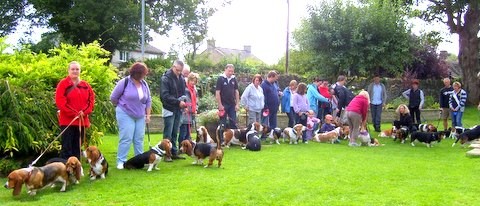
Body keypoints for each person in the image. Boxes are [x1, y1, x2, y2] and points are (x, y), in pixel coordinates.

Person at [110, 62, 151, 169]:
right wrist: (122, 105)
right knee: (126, 138)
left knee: (139, 138)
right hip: (125, 113)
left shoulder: (144, 84)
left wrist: (148, 115)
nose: (144, 76)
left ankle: (139, 160)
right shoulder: (124, 82)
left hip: (140, 115)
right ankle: (121, 161)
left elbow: (148, 100)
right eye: (142, 73)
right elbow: (113, 97)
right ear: (136, 73)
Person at [55, 61, 95, 160]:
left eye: (77, 69)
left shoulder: (86, 85)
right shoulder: (63, 84)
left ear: (80, 71)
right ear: (69, 70)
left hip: (81, 121)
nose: (75, 71)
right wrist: (74, 113)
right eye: (73, 69)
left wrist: (84, 112)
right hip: (67, 121)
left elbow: (91, 101)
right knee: (67, 148)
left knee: (77, 148)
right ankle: (64, 170)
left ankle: (76, 170)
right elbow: (60, 101)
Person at [160, 60, 188, 161]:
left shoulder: (181, 78)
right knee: (168, 132)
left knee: (175, 131)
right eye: (178, 70)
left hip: (178, 109)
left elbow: (183, 92)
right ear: (173, 67)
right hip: (169, 108)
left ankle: (174, 152)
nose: (179, 72)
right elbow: (164, 96)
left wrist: (184, 103)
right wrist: (177, 102)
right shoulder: (165, 78)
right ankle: (166, 154)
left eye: (181, 71)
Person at [215, 64, 240, 129]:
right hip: (223, 104)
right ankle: (222, 138)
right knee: (223, 124)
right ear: (225, 70)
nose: (230, 73)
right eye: (229, 71)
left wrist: (237, 104)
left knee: (233, 122)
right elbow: (217, 92)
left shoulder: (234, 79)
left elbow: (236, 91)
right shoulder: (220, 78)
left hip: (232, 104)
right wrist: (220, 105)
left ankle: (234, 138)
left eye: (232, 71)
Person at [179, 72, 199, 147]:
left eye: (195, 81)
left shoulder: (194, 90)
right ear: (188, 80)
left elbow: (196, 101)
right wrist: (185, 108)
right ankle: (181, 147)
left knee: (188, 132)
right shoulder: (184, 89)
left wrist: (195, 109)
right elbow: (183, 100)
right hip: (185, 113)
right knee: (183, 132)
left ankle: (187, 148)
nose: (193, 83)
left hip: (191, 113)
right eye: (192, 81)